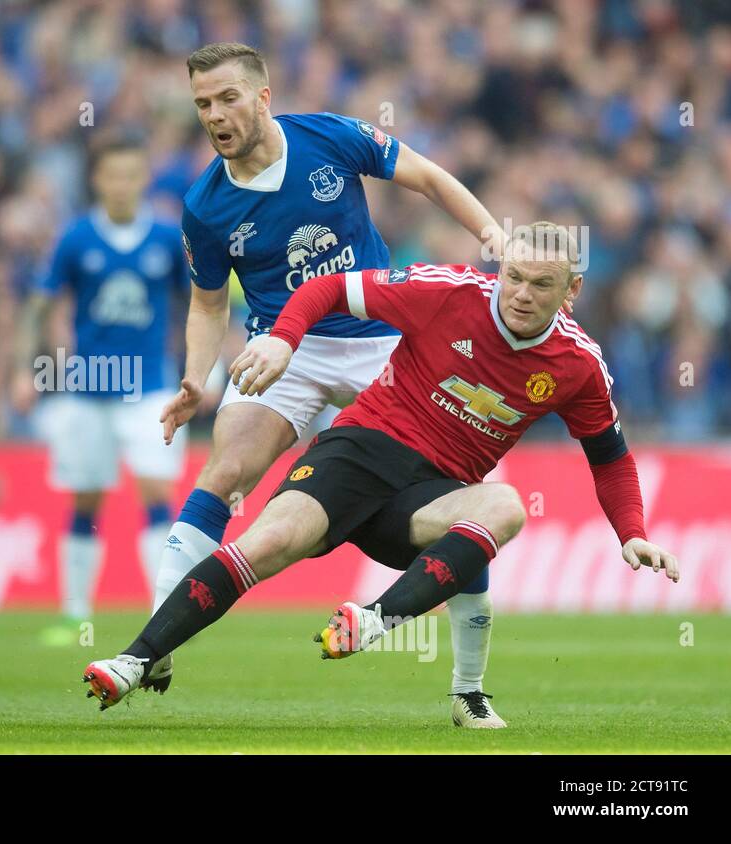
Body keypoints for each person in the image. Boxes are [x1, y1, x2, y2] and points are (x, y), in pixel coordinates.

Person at [83, 223, 679, 723]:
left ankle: (390, 633)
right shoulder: (448, 292)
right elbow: (329, 287)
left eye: (540, 284)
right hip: (360, 451)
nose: (519, 293)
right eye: (513, 276)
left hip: (429, 498)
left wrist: (632, 533)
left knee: (503, 506)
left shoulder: (578, 365)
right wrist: (286, 341)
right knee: (267, 542)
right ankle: (134, 661)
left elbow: (611, 460)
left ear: (571, 290)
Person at [149, 41, 513, 722]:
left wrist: (491, 231)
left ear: (261, 96)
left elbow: (430, 178)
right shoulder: (204, 207)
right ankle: (158, 637)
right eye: (203, 104)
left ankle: (467, 688)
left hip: (381, 341)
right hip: (284, 347)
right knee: (225, 469)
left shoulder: (331, 137)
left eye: (227, 97)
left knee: (466, 502)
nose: (215, 115)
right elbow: (206, 303)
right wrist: (195, 379)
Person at [12, 135, 189, 645]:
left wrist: (203, 367)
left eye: (132, 175)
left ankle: (163, 612)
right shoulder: (76, 239)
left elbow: (201, 299)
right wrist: (26, 369)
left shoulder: (164, 237)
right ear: (98, 179)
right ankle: (73, 614)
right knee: (86, 498)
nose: (122, 184)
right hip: (88, 390)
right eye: (113, 175)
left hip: (150, 388)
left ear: (143, 178)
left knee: (156, 489)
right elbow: (39, 306)